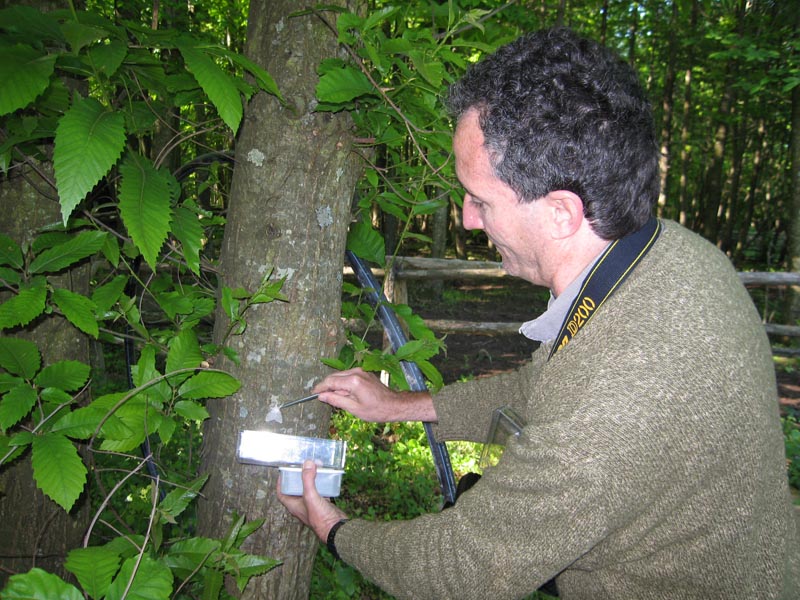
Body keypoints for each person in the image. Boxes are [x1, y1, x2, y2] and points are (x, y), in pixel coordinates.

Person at [278, 27, 799, 599]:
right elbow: (546, 388)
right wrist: (401, 406)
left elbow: (460, 569)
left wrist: (330, 527)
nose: (468, 219)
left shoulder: (623, 395)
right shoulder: (667, 256)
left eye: (480, 199)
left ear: (560, 213)